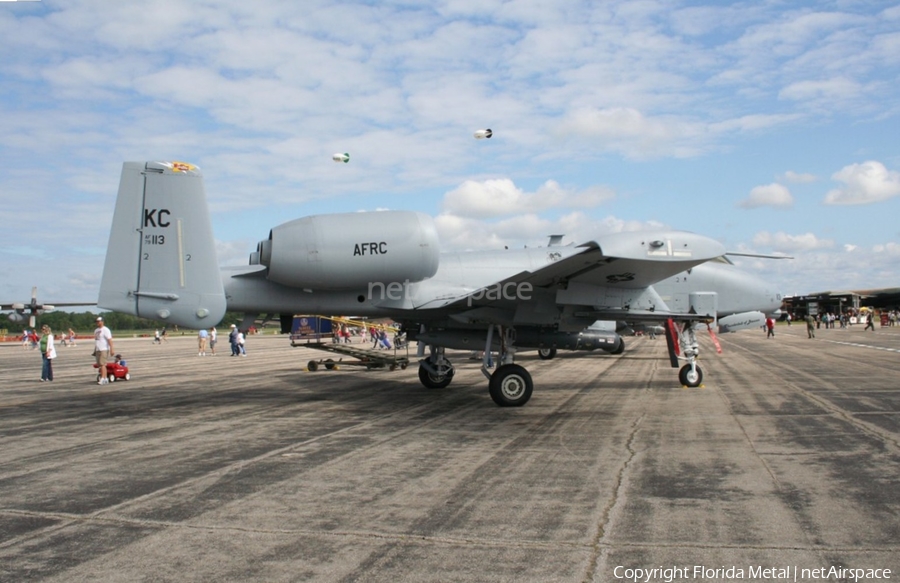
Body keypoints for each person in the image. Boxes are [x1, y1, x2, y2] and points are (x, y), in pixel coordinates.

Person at [94, 316, 115, 385]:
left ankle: (103, 378)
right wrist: (95, 350)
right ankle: (105, 378)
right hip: (98, 349)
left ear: (102, 322)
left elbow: (109, 340)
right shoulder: (96, 330)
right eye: (97, 321)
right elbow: (97, 340)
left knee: (103, 364)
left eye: (99, 321)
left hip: (104, 349)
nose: (97, 322)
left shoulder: (105, 330)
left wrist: (112, 349)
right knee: (100, 365)